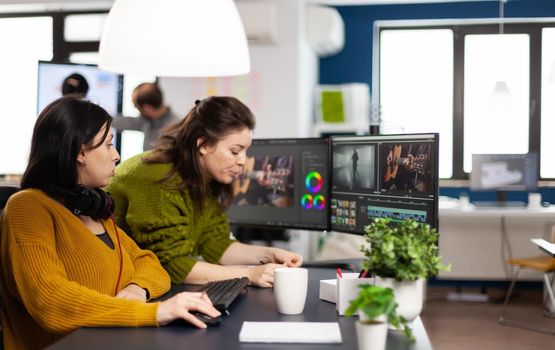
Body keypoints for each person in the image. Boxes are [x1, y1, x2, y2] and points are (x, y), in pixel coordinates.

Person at [0, 96, 221, 349]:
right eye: (108, 145)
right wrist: (154, 313)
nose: (116, 155)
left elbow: (150, 265)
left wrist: (138, 289)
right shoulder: (28, 207)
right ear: (81, 152)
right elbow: (50, 301)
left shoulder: (94, 211)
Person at [106, 96, 303, 287]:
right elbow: (172, 265)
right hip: (114, 283)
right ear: (203, 145)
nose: (243, 161)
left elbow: (215, 243)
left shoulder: (204, 178)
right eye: (235, 151)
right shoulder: (157, 179)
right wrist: (250, 274)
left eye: (245, 152)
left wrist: (270, 255)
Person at [111, 82, 179, 151]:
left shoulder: (175, 130)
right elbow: (126, 122)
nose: (136, 108)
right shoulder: (147, 120)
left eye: (136, 106)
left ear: (147, 108)